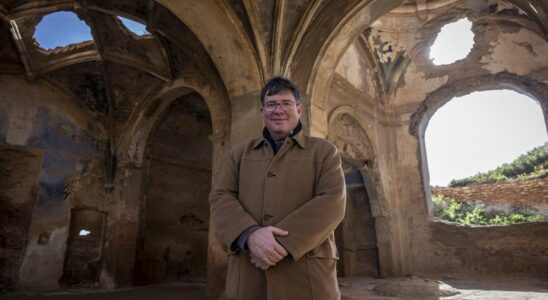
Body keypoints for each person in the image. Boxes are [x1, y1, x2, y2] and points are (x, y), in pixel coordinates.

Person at [209, 76, 346, 300]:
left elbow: (332, 202)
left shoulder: (324, 152)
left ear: (299, 109)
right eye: (271, 104)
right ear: (263, 111)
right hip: (248, 278)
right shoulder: (239, 154)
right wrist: (250, 236)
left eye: (286, 103)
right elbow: (220, 196)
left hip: (308, 278)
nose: (278, 110)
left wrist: (274, 244)